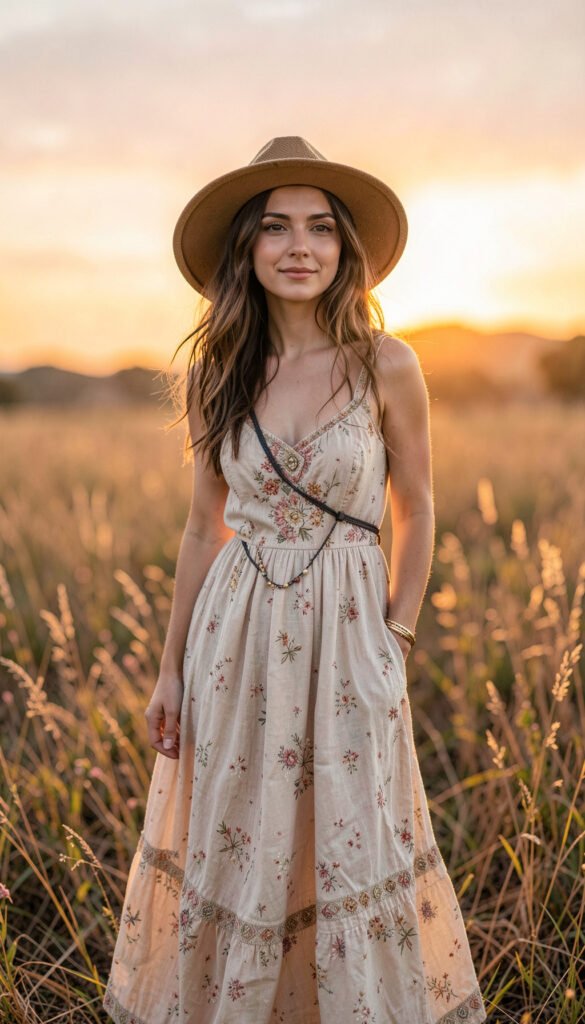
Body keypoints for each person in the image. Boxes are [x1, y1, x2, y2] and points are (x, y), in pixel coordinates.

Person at [103, 136, 487, 1024]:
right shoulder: (216, 375)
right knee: (242, 833)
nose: (299, 246)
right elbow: (204, 527)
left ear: (346, 249)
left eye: (319, 227)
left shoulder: (387, 364)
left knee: (351, 833)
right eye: (275, 227)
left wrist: (394, 634)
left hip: (351, 629)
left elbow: (417, 510)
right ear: (247, 249)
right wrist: (169, 670)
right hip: (232, 636)